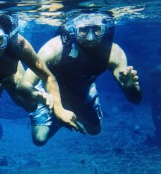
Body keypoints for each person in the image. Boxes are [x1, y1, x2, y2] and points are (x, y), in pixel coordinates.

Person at [18, 13, 142, 146]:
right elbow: (24, 85)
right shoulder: (54, 49)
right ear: (73, 29)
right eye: (83, 30)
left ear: (105, 29)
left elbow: (135, 99)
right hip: (50, 95)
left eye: (96, 30)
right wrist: (49, 102)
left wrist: (131, 87)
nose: (90, 38)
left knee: (95, 131)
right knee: (39, 139)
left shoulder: (113, 53)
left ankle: (79, 103)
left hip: (83, 93)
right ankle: (59, 117)